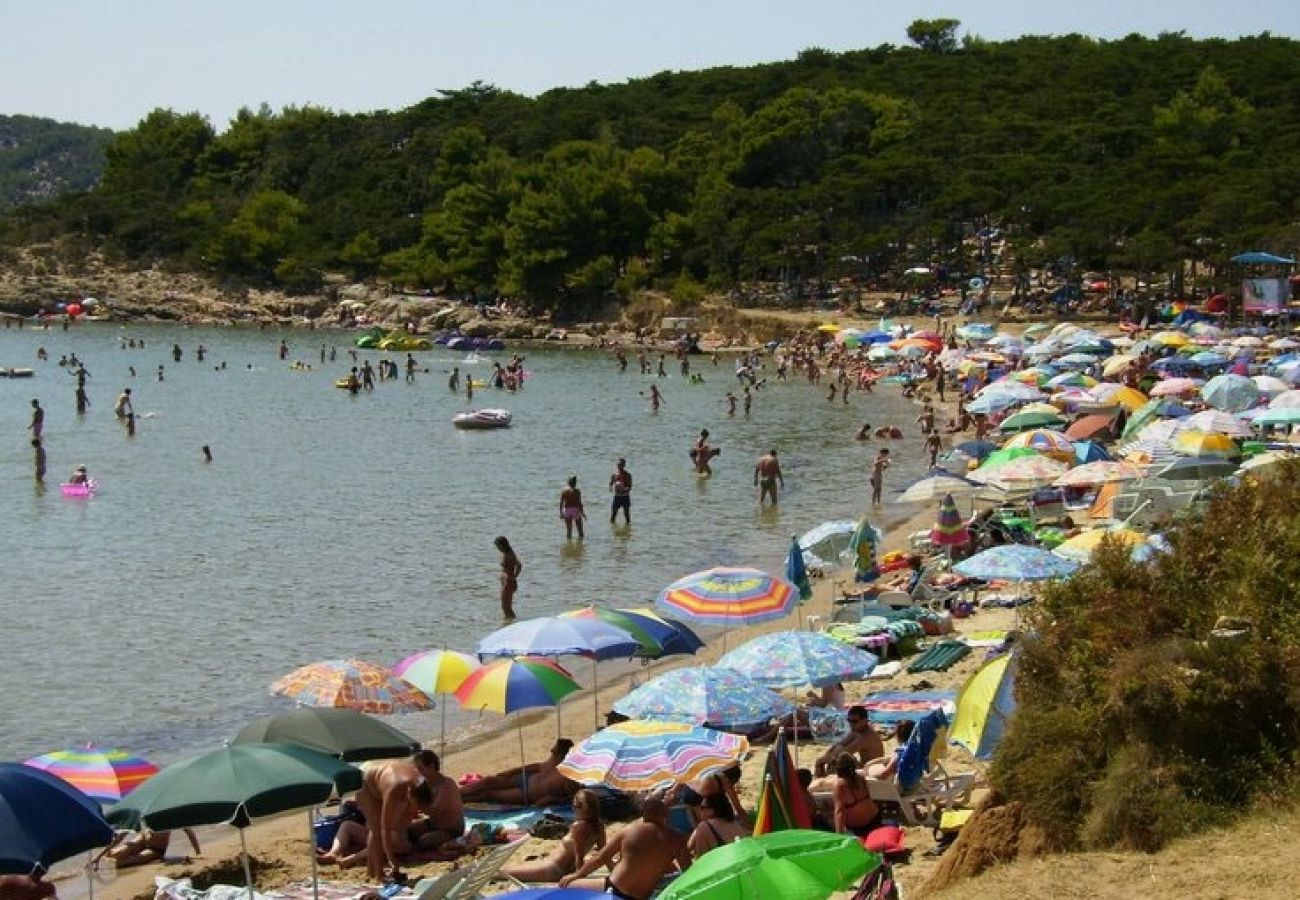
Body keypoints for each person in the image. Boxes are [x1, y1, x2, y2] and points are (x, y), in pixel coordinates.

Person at [356, 750, 461, 881]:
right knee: (376, 829)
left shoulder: (421, 782)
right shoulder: (394, 790)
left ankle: (371, 870)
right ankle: (378, 874)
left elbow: (415, 812)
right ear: (409, 794)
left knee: (388, 833)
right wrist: (392, 860)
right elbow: (385, 829)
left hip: (384, 773)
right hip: (364, 780)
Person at [559, 797, 691, 900]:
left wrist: (577, 875)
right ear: (665, 815)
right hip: (641, 896)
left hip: (616, 889)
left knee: (566, 887)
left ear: (644, 815)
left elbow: (600, 857)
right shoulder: (677, 839)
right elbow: (688, 872)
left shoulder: (630, 831)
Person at [502, 788, 605, 883]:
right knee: (510, 868)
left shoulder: (579, 826)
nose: (573, 809)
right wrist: (612, 870)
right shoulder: (599, 825)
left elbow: (579, 856)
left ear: (586, 808)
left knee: (503, 872)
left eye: (575, 806)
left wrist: (577, 878)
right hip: (557, 866)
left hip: (554, 869)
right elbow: (604, 853)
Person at [461, 739, 580, 806]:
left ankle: (462, 800)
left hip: (527, 794)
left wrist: (552, 799)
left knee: (489, 794)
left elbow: (571, 798)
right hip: (526, 778)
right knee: (488, 781)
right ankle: (457, 793)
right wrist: (512, 771)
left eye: (555, 749)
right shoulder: (554, 760)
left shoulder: (570, 776)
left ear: (562, 753)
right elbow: (537, 767)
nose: (552, 750)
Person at [813, 706, 884, 778]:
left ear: (864, 720)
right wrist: (823, 758)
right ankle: (823, 777)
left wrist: (820, 762)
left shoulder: (866, 737)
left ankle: (822, 778)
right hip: (865, 767)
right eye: (849, 721)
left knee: (839, 759)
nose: (851, 724)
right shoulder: (858, 730)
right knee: (837, 749)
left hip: (871, 771)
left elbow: (842, 753)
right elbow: (840, 744)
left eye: (855, 721)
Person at [686, 793, 748, 860]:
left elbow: (700, 857)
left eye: (702, 807)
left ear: (713, 810)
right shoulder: (733, 821)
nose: (700, 811)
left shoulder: (705, 826)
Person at [103, 828, 201, 868]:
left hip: (156, 849)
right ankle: (105, 857)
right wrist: (99, 857)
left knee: (120, 863)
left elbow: (189, 832)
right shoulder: (146, 809)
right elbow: (123, 833)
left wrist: (198, 852)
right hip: (142, 840)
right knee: (113, 855)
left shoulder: (171, 815)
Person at [832, 754, 879, 836]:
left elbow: (839, 812)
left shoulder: (839, 784)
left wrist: (838, 836)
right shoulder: (860, 778)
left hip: (859, 828)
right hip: (875, 819)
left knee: (828, 818)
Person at [495, 536, 521, 620]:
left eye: (498, 546)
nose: (498, 549)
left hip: (508, 584)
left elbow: (519, 565)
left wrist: (514, 577)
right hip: (507, 583)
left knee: (506, 608)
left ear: (503, 545)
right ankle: (509, 622)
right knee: (505, 607)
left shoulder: (510, 554)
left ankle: (511, 624)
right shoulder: (507, 553)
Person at [559, 476, 586, 540]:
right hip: (575, 510)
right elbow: (579, 503)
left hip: (567, 510)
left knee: (569, 531)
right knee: (580, 531)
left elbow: (561, 503)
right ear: (575, 482)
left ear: (568, 482)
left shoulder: (564, 491)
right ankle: (580, 546)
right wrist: (582, 512)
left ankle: (569, 545)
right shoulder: (577, 491)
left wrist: (561, 512)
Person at [609, 458, 632, 524]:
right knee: (613, 514)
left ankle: (628, 529)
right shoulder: (614, 475)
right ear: (617, 465)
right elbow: (610, 483)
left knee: (627, 515)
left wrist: (624, 489)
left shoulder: (628, 475)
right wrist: (611, 488)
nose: (620, 466)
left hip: (625, 496)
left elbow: (629, 487)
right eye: (619, 464)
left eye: (621, 464)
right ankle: (612, 528)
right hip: (617, 496)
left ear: (624, 465)